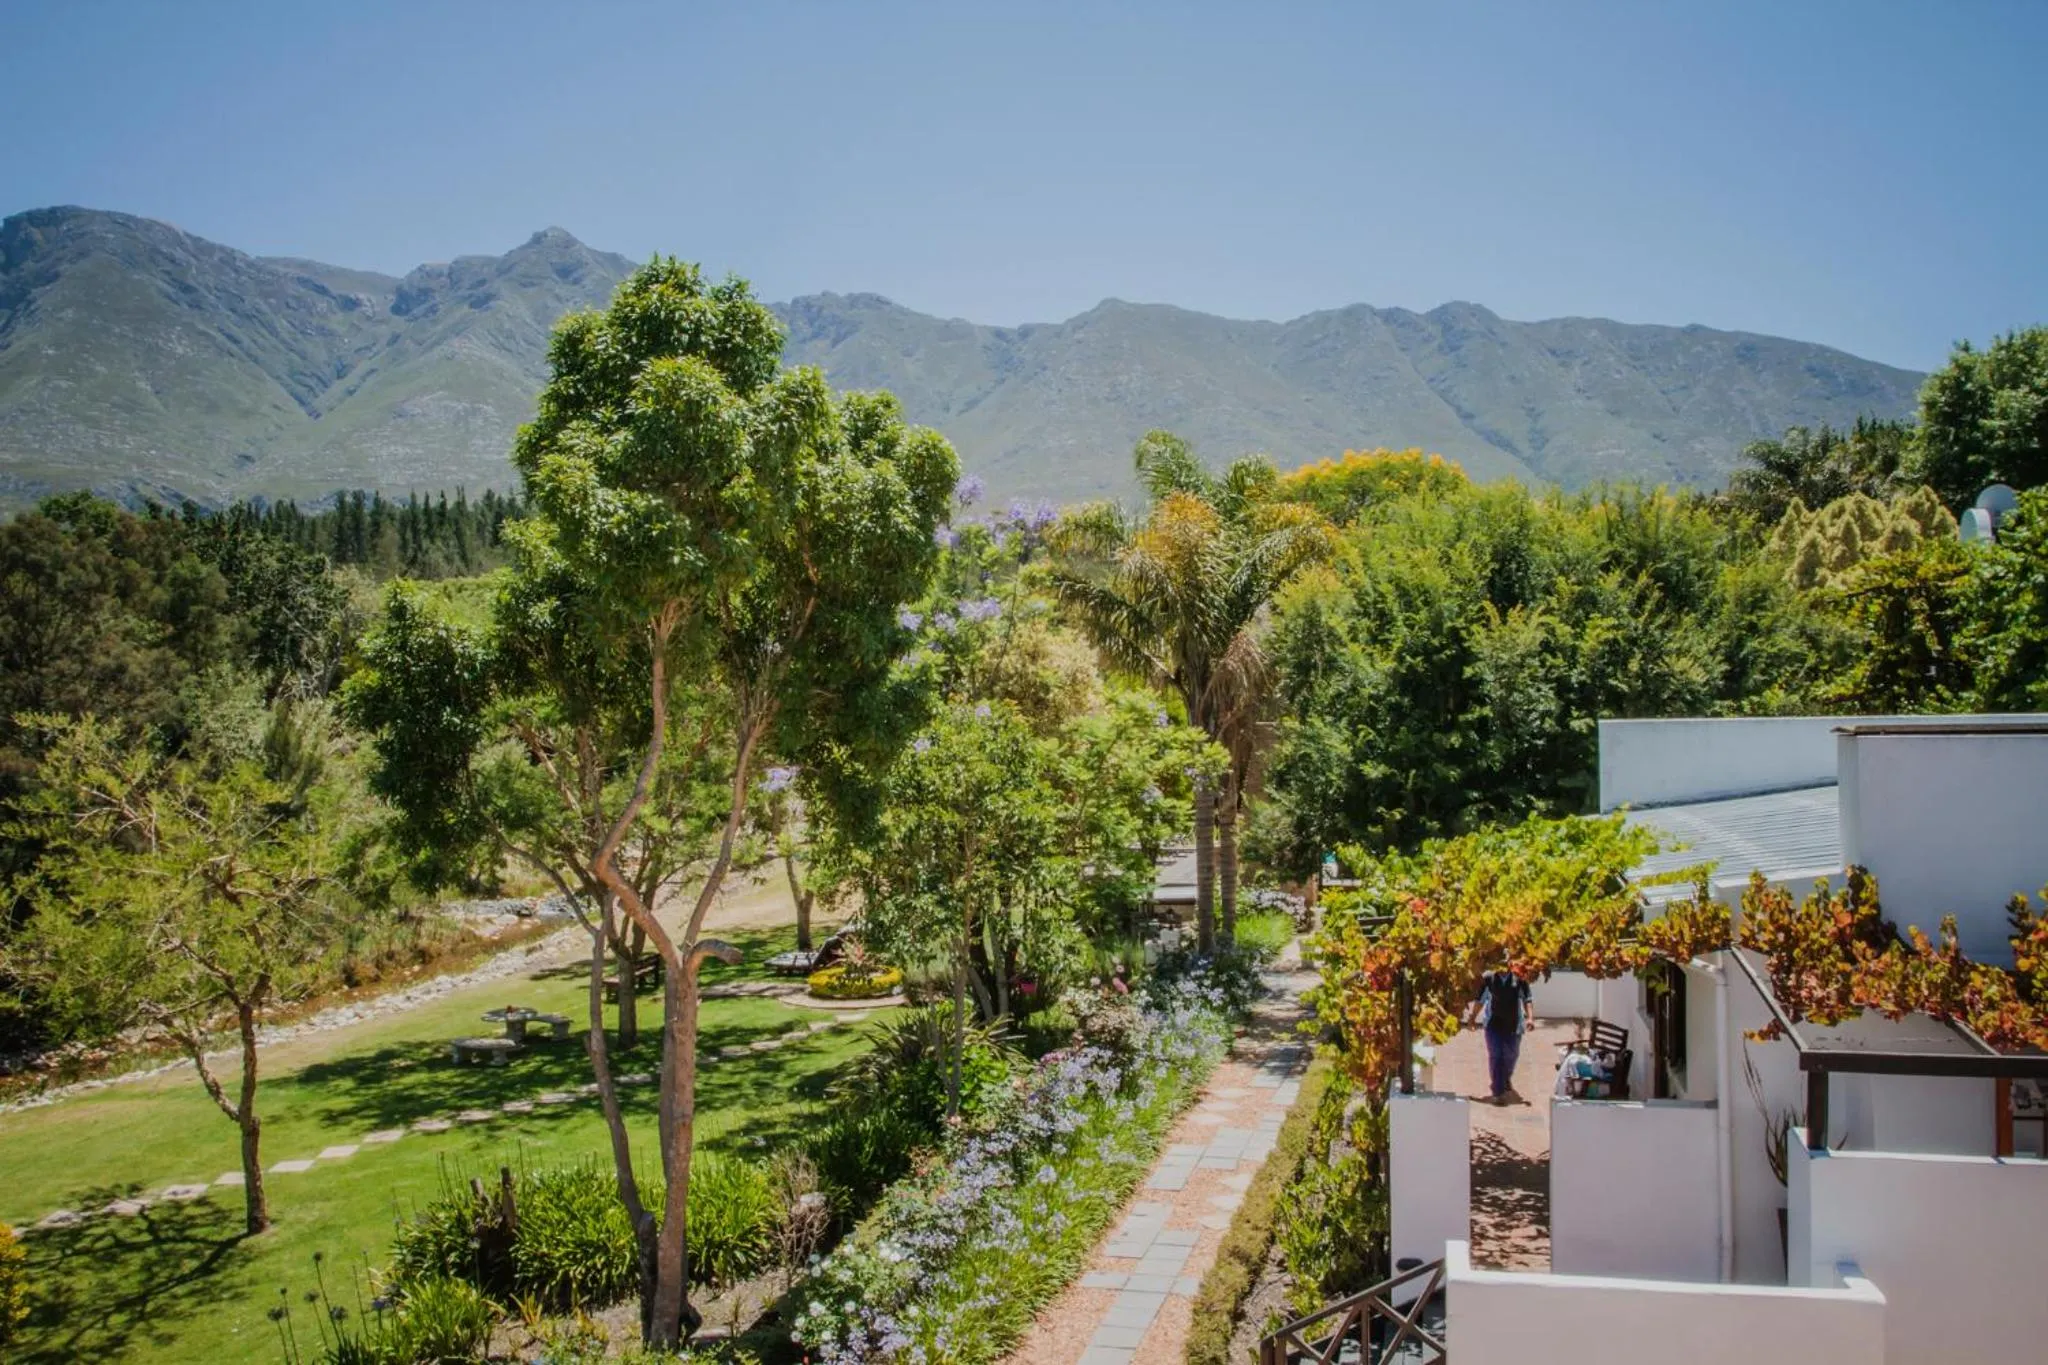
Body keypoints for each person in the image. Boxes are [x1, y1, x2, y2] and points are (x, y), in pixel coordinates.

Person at [1462, 954, 1533, 1104]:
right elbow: (1480, 1000)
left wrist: (1530, 1018)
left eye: (1504, 962)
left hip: (1514, 1025)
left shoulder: (1518, 978)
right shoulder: (1488, 979)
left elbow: (1527, 999)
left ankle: (1505, 1078)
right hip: (1493, 1024)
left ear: (1509, 963)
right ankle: (1498, 1090)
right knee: (1496, 1055)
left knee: (1511, 1055)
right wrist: (1472, 1017)